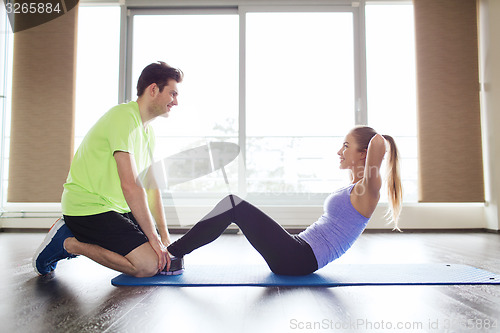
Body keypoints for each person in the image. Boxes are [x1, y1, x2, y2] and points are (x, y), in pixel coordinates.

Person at [166, 126, 402, 276]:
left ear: (364, 153)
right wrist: (358, 147)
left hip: (299, 259)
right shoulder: (355, 186)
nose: (339, 151)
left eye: (346, 146)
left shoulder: (368, 189)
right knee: (234, 205)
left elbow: (379, 142)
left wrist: (377, 137)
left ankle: (171, 255)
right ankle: (174, 254)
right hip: (298, 251)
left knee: (233, 205)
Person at [33, 61, 184, 277]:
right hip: (87, 207)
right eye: (172, 94)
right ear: (153, 89)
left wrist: (164, 237)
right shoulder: (123, 117)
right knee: (148, 265)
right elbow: (130, 185)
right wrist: (153, 238)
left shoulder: (148, 133)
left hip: (115, 209)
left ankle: (79, 238)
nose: (176, 102)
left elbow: (152, 188)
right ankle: (67, 242)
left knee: (158, 254)